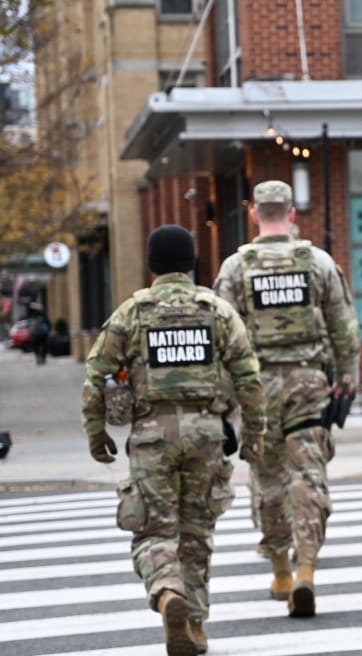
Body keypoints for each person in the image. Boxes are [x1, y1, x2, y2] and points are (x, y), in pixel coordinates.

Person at [81, 225, 266, 656]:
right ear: (192, 263)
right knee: (197, 532)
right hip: (206, 434)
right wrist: (253, 434)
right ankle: (196, 625)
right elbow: (249, 377)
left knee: (153, 530)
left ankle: (167, 593)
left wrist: (96, 431)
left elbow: (96, 375)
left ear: (150, 265)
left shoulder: (132, 313)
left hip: (152, 437)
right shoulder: (217, 311)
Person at [213, 179, 361, 618]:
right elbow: (344, 326)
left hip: (256, 389)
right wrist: (347, 381)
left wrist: (224, 400)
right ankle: (307, 570)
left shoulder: (235, 268)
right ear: (292, 213)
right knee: (308, 475)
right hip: (307, 386)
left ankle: (279, 569)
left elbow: (223, 337)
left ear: (255, 214)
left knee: (268, 477)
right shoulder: (317, 262)